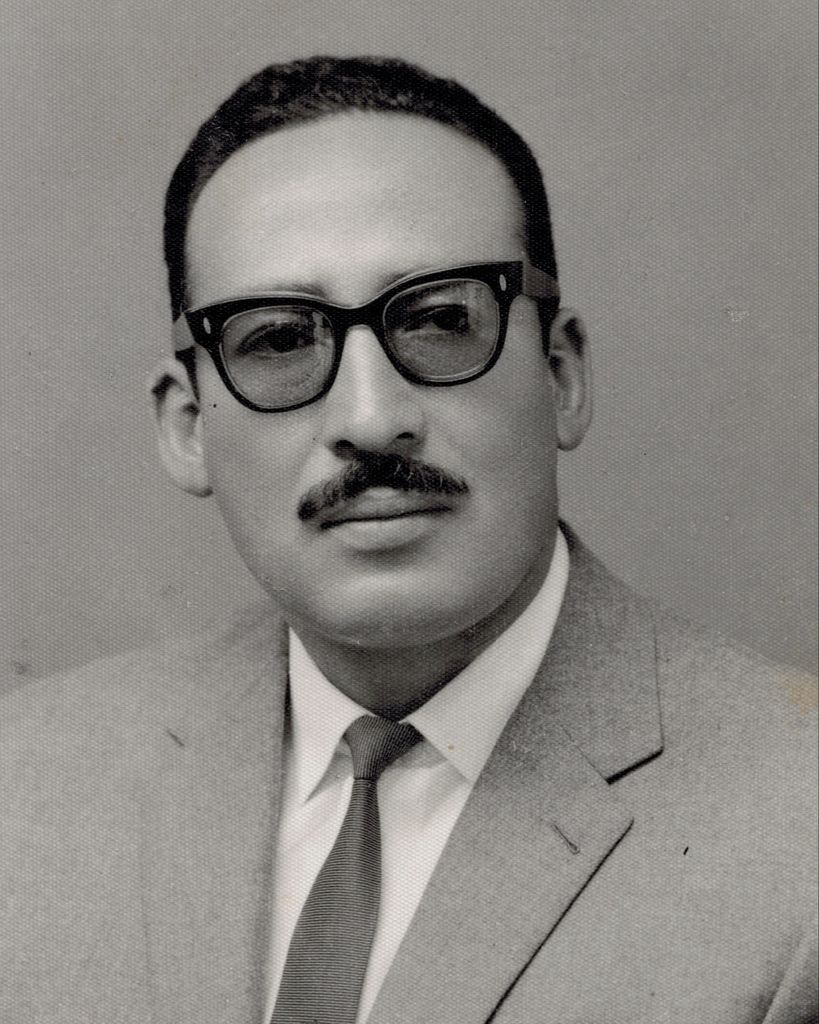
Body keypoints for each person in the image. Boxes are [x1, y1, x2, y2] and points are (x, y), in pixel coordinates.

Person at [0, 56, 815, 1024]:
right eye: (277, 338)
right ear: (187, 427)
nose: (371, 417)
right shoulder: (26, 786)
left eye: (437, 320)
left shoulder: (795, 837)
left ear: (560, 376)